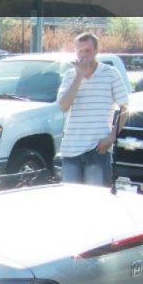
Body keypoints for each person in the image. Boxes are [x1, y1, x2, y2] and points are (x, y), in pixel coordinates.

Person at [57, 32, 129, 187]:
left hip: (97, 149)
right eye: (80, 51)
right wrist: (79, 77)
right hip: (71, 149)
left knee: (97, 197)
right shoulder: (70, 75)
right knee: (71, 197)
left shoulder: (111, 74)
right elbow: (63, 106)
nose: (83, 55)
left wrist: (111, 137)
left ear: (96, 51)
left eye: (87, 51)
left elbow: (125, 108)